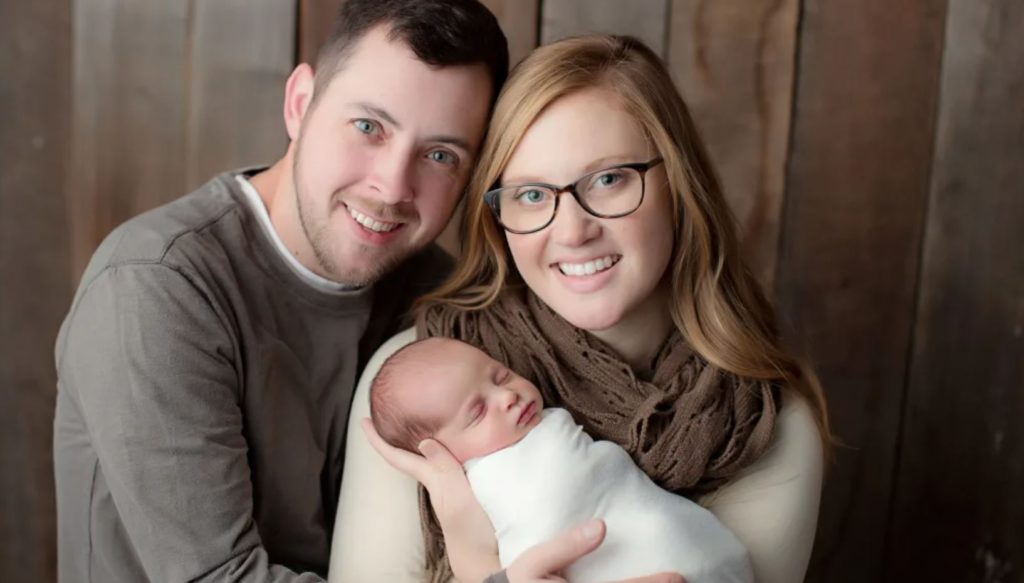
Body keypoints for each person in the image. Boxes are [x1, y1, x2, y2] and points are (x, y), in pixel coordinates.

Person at [332, 34, 830, 583]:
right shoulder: (422, 381)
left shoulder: (765, 419)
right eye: (531, 194)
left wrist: (478, 566)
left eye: (610, 179)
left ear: (680, 184)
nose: (572, 232)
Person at [52, 1, 509, 581]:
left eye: (440, 155)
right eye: (368, 127)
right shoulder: (156, 286)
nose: (392, 186)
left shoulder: (442, 296)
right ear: (300, 105)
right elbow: (222, 577)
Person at [369, 336, 754, 583]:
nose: (507, 398)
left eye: (501, 377)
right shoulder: (477, 484)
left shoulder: (548, 420)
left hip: (698, 551)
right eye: (477, 412)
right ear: (443, 452)